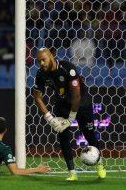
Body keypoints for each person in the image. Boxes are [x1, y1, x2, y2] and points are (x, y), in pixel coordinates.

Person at [33, 48, 106, 181]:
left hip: (81, 103)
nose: (41, 63)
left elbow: (76, 96)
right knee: (63, 136)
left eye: (44, 59)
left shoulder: (68, 68)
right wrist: (49, 118)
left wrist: (71, 118)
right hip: (62, 105)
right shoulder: (41, 74)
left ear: (51, 56)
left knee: (89, 133)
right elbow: (37, 97)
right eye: (39, 61)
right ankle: (72, 172)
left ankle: (99, 164)